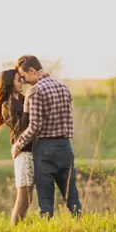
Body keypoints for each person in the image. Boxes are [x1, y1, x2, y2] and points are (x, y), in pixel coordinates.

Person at [11, 55, 82, 218]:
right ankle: (82, 230)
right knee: (72, 199)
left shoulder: (35, 91)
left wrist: (18, 144)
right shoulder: (63, 87)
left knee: (46, 203)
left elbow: (35, 126)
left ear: (33, 71)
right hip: (66, 147)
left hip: (45, 150)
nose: (25, 81)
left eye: (24, 76)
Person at [0, 68, 35, 224]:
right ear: (9, 84)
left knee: (28, 198)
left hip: (31, 152)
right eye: (18, 80)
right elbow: (21, 129)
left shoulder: (21, 99)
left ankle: (19, 229)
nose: (22, 82)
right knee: (23, 198)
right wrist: (28, 105)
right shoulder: (8, 106)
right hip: (23, 154)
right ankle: (15, 231)